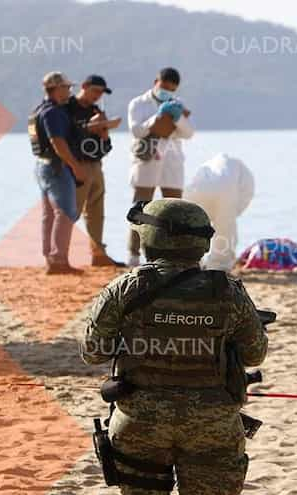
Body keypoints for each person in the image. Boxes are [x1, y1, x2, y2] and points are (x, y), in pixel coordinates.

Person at [81, 198, 268, 495]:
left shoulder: (126, 289)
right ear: (202, 242)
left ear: (150, 239)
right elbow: (254, 353)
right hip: (213, 425)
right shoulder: (227, 291)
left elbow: (93, 353)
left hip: (139, 423)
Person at [126, 67, 195, 267]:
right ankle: (133, 254)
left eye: (171, 89)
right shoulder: (138, 103)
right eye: (164, 87)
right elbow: (137, 130)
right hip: (147, 158)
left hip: (171, 160)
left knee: (175, 207)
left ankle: (174, 254)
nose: (166, 91)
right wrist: (158, 116)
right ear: (156, 81)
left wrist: (176, 116)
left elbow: (188, 133)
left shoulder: (178, 104)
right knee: (141, 206)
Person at [28, 71, 87, 275]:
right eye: (66, 87)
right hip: (57, 167)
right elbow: (58, 142)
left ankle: (50, 257)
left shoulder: (38, 111)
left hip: (42, 166)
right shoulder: (54, 113)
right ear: (56, 89)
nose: (69, 91)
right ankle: (59, 259)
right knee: (65, 212)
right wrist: (75, 166)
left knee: (49, 214)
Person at [67, 74, 125, 266]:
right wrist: (93, 126)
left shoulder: (96, 110)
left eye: (101, 93)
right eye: (95, 91)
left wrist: (104, 131)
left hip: (95, 165)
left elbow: (106, 146)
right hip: (76, 164)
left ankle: (98, 254)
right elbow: (68, 135)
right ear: (83, 86)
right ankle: (60, 255)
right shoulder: (68, 108)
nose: (98, 96)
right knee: (71, 210)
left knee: (96, 210)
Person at [183, 153, 254, 272]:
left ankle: (191, 262)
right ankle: (218, 265)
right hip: (226, 189)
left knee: (193, 228)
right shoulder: (241, 171)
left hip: (196, 189)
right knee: (225, 229)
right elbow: (246, 195)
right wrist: (231, 214)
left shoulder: (209, 164)